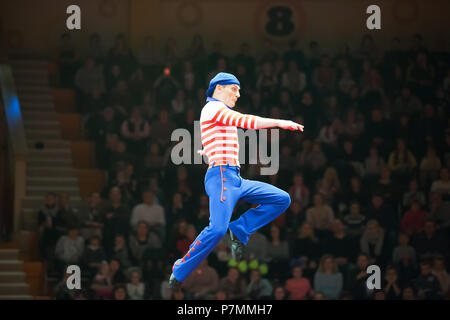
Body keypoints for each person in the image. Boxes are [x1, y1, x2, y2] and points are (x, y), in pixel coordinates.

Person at [169, 72, 303, 287]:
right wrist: (280, 122)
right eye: (234, 89)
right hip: (222, 177)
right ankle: (180, 268)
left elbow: (217, 135)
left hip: (235, 178)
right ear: (219, 88)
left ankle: (240, 229)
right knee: (217, 229)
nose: (238, 94)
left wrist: (209, 150)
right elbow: (244, 121)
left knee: (282, 199)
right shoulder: (213, 107)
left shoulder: (218, 112)